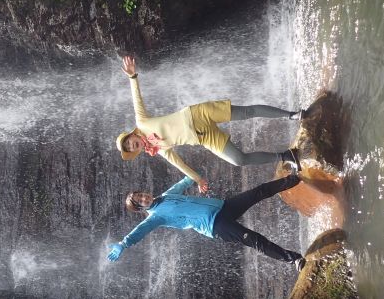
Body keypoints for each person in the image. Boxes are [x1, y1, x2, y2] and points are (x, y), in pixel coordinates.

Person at [116, 55, 304, 194]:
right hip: (204, 138)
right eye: (131, 148)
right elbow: (178, 163)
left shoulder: (142, 122)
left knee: (246, 112)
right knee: (239, 160)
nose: (132, 145)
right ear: (136, 150)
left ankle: (292, 115)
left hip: (198, 114)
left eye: (129, 141)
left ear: (132, 135)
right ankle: (285, 156)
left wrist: (133, 77)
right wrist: (198, 179)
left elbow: (137, 100)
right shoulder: (158, 149)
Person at [107, 174, 306, 270]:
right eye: (140, 201)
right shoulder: (156, 217)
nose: (144, 198)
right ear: (141, 208)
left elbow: (184, 181)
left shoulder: (166, 195)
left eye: (142, 195)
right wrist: (124, 243)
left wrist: (194, 176)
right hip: (215, 226)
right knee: (254, 240)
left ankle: (297, 178)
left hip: (224, 207)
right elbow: (140, 230)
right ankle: (294, 259)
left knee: (259, 191)